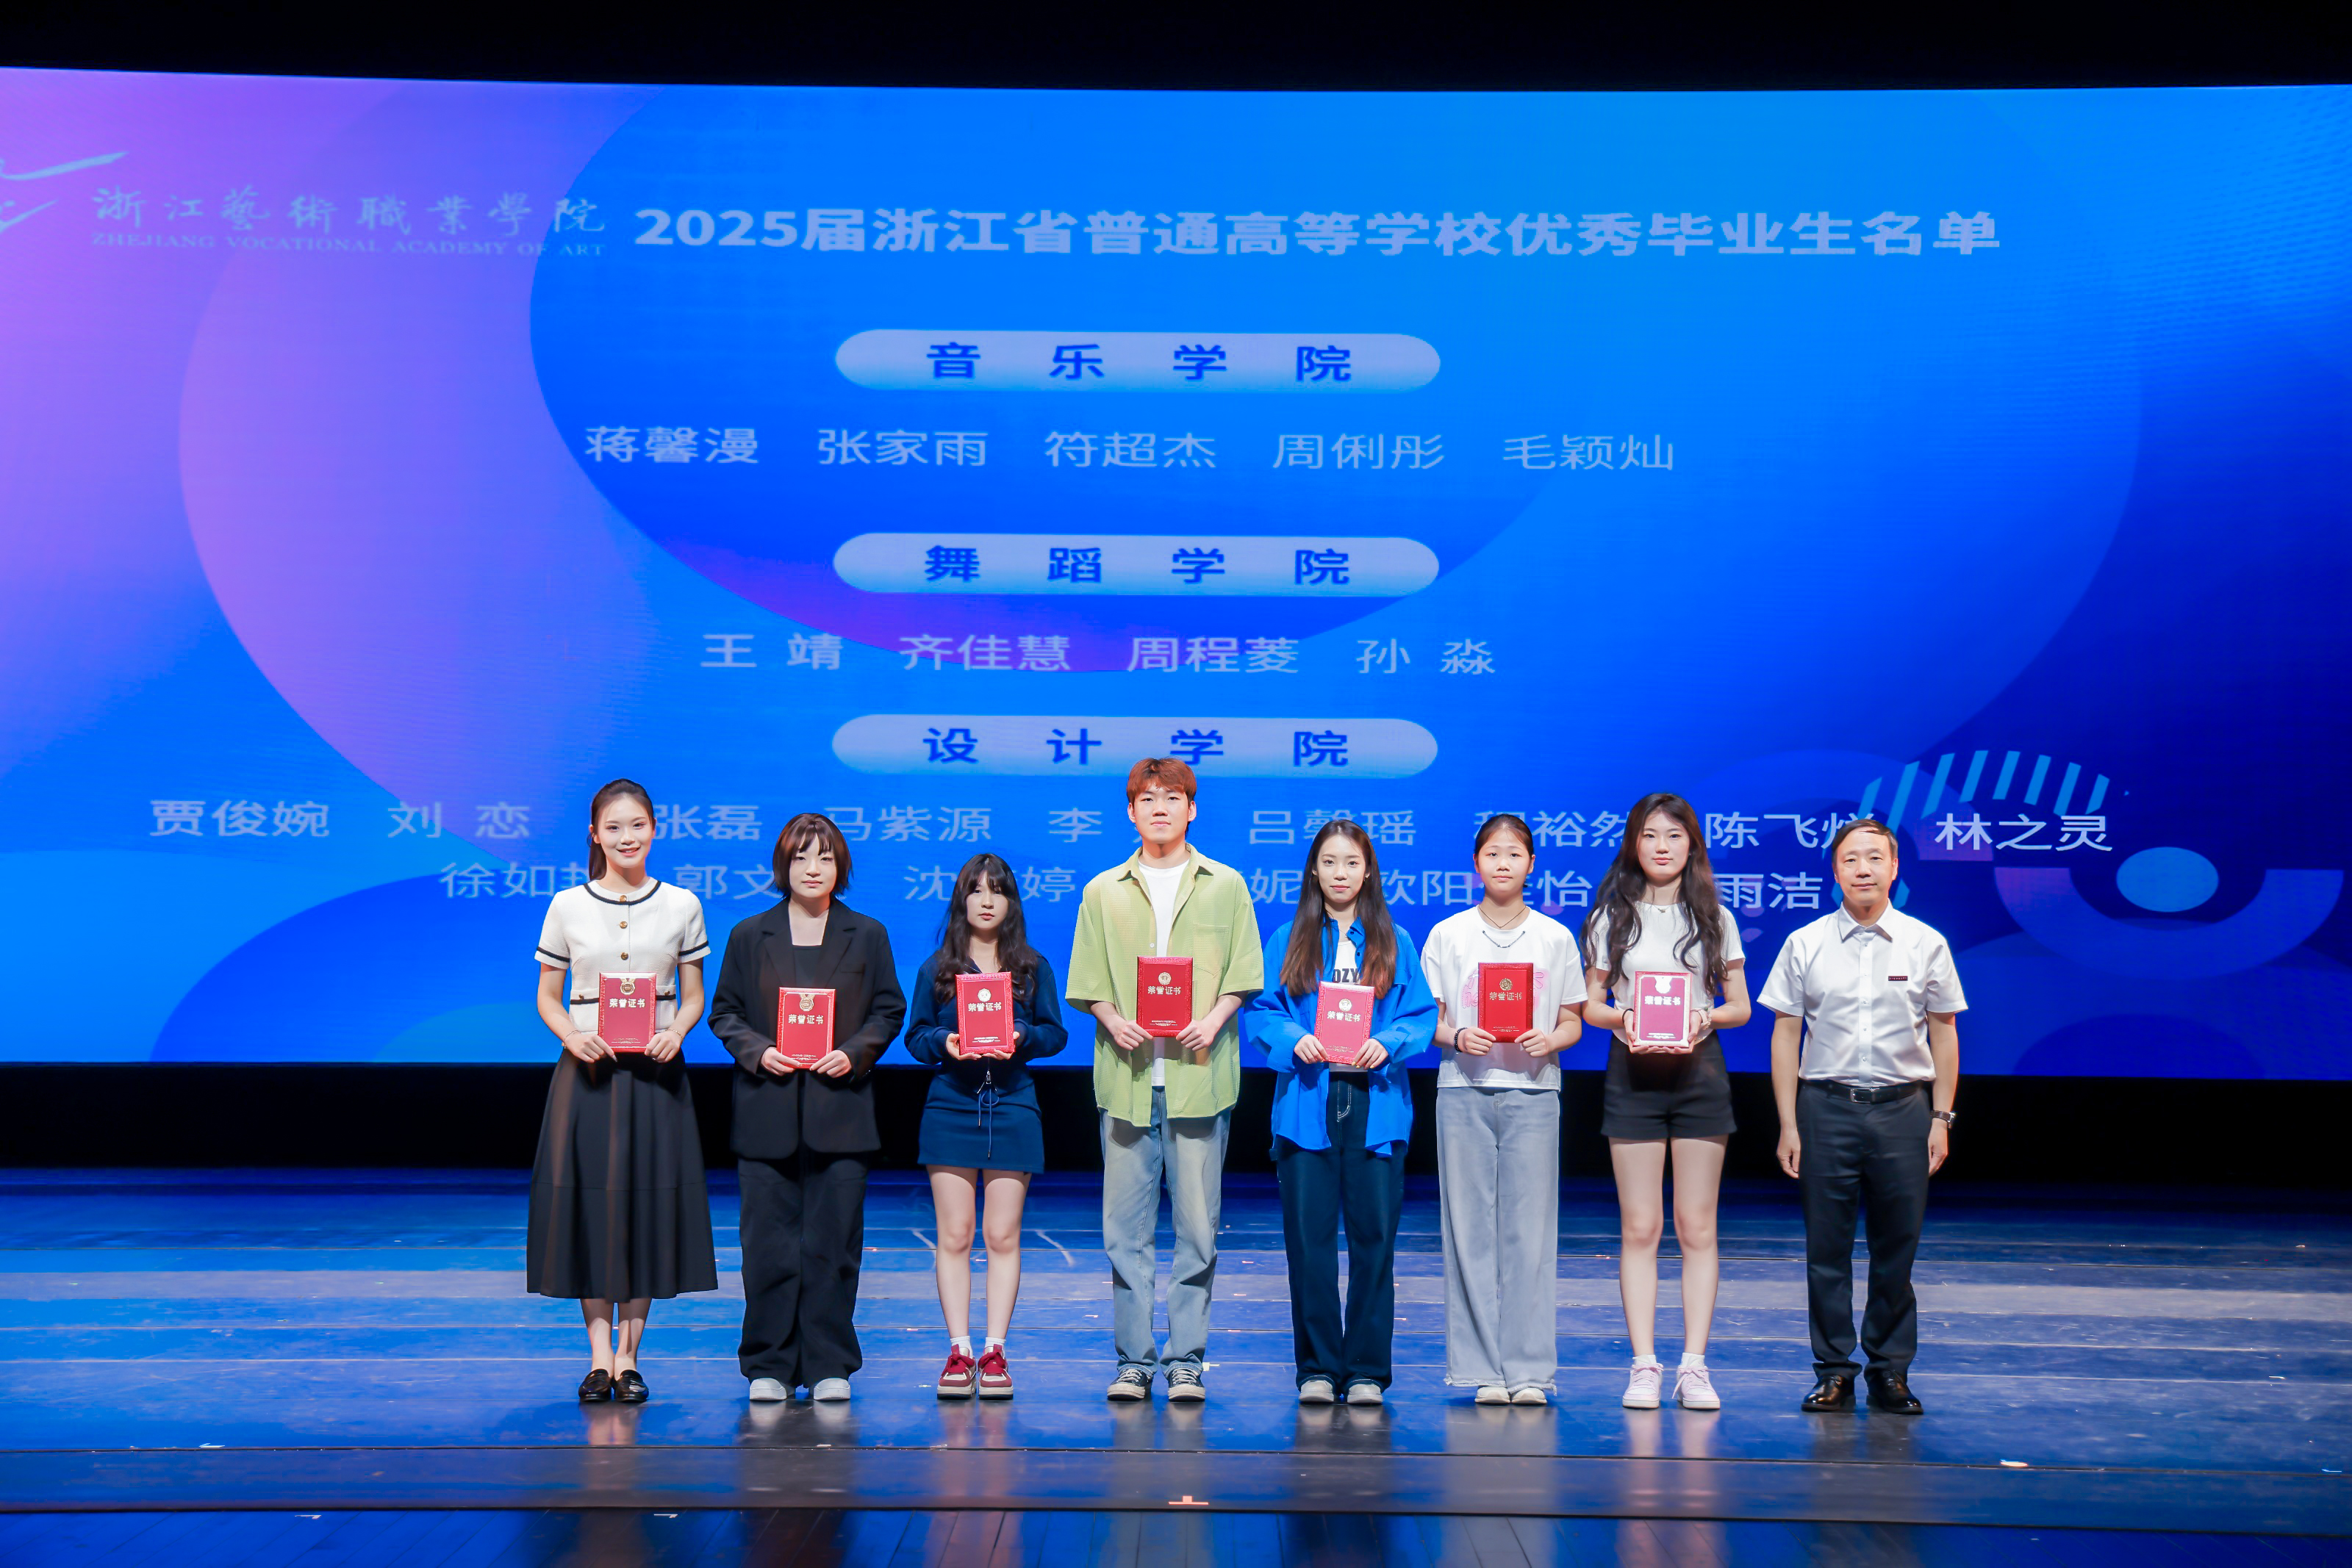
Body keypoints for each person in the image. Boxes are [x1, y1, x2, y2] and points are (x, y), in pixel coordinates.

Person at [1066, 757, 1264, 1403]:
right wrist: (1111, 1018)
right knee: (1124, 1232)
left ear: (1192, 808)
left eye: (1172, 797)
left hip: (1198, 1075)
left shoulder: (1225, 884)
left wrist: (1214, 1019)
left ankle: (1185, 1360)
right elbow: (1088, 976)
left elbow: (1244, 971)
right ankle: (1134, 1360)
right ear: (1131, 811)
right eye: (1147, 798)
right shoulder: (1103, 890)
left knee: (1198, 1230)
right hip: (1126, 1077)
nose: (1160, 808)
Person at [1758, 818, 1964, 1417]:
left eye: (1875, 858)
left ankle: (1890, 1370)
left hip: (1904, 1110)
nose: (1864, 869)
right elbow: (1785, 1034)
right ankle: (1833, 1370)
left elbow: (1945, 1033)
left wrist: (1941, 1117)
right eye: (1851, 859)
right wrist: (1788, 1122)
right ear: (1835, 870)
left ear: (1895, 867)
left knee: (1896, 1248)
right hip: (1825, 1108)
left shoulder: (1925, 942)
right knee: (1826, 1250)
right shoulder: (1806, 943)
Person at [526, 779, 718, 1404]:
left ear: (655, 829)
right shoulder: (567, 905)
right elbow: (548, 998)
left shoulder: (683, 905)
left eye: (637, 825)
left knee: (647, 1209)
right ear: (595, 835)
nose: (627, 837)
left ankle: (631, 1359)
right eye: (614, 827)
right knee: (590, 1210)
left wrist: (678, 1031)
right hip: (588, 1076)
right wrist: (572, 1036)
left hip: (656, 1077)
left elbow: (693, 995)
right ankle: (599, 1358)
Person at [709, 812, 906, 1405]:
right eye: (801, 857)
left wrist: (854, 1053)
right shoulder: (750, 934)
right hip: (765, 1112)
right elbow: (725, 1012)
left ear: (840, 866)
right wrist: (757, 1052)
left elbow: (888, 1010)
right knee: (766, 1248)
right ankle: (767, 1364)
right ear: (783, 866)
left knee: (833, 1247)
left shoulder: (866, 933)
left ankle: (829, 1364)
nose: (812, 868)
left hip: (841, 1113)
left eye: (824, 857)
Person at [1244, 819, 1437, 1406]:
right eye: (1329, 862)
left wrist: (1390, 1041)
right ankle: (1318, 1369)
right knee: (1310, 1244)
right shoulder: (1290, 939)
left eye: (1351, 862)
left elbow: (1420, 1014)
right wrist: (1293, 1038)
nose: (1340, 873)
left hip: (1376, 1104)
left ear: (1368, 871)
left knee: (1374, 1242)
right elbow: (1263, 1010)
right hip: (1309, 1102)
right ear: (1313, 870)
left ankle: (1367, 1371)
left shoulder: (1394, 940)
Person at [1580, 794, 1752, 1414]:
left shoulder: (1715, 917)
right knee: (1640, 1227)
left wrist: (1705, 1016)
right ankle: (1644, 1365)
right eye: (1650, 834)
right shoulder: (1610, 917)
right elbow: (1590, 1004)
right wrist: (1624, 1017)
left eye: (1674, 836)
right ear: (1634, 843)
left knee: (1697, 1227)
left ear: (1691, 845)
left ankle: (1695, 1366)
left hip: (1699, 1072)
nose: (1661, 846)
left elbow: (1740, 1005)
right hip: (1633, 1073)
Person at [1420, 812, 1585, 1406]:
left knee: (1530, 1233)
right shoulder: (1448, 934)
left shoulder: (1555, 937)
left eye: (1514, 853)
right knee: (1466, 1231)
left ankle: (1530, 1371)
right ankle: (1480, 1371)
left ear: (1531, 864)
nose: (1503, 863)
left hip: (1535, 1092)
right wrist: (1457, 1036)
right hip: (1462, 1090)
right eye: (1492, 853)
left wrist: (1553, 1039)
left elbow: (1573, 1020)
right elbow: (1428, 1019)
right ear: (1476, 863)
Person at [903, 852, 1069, 1400]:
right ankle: (959, 1350)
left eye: (997, 890)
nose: (987, 900)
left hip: (1013, 1104)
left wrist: (1023, 1036)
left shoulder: (1031, 968)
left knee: (1002, 1235)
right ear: (962, 901)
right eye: (976, 890)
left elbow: (1055, 1033)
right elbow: (915, 1036)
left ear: (1011, 902)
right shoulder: (937, 969)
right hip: (951, 1105)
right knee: (954, 1235)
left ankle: (995, 1351)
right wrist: (945, 1042)